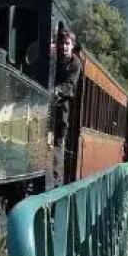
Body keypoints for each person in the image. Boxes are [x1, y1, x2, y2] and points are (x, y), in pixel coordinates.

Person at [52, 26, 82, 168]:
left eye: (67, 44)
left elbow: (70, 84)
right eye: (62, 43)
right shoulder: (54, 56)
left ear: (72, 45)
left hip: (62, 98)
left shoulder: (75, 63)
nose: (64, 46)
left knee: (61, 125)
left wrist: (57, 90)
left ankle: (56, 169)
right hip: (48, 94)